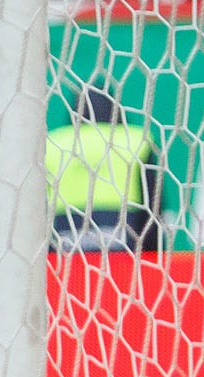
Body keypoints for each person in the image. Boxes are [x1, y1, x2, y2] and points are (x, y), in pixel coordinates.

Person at [46, 85, 162, 255]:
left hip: (66, 243)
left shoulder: (54, 143)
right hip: (124, 244)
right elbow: (154, 208)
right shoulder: (136, 141)